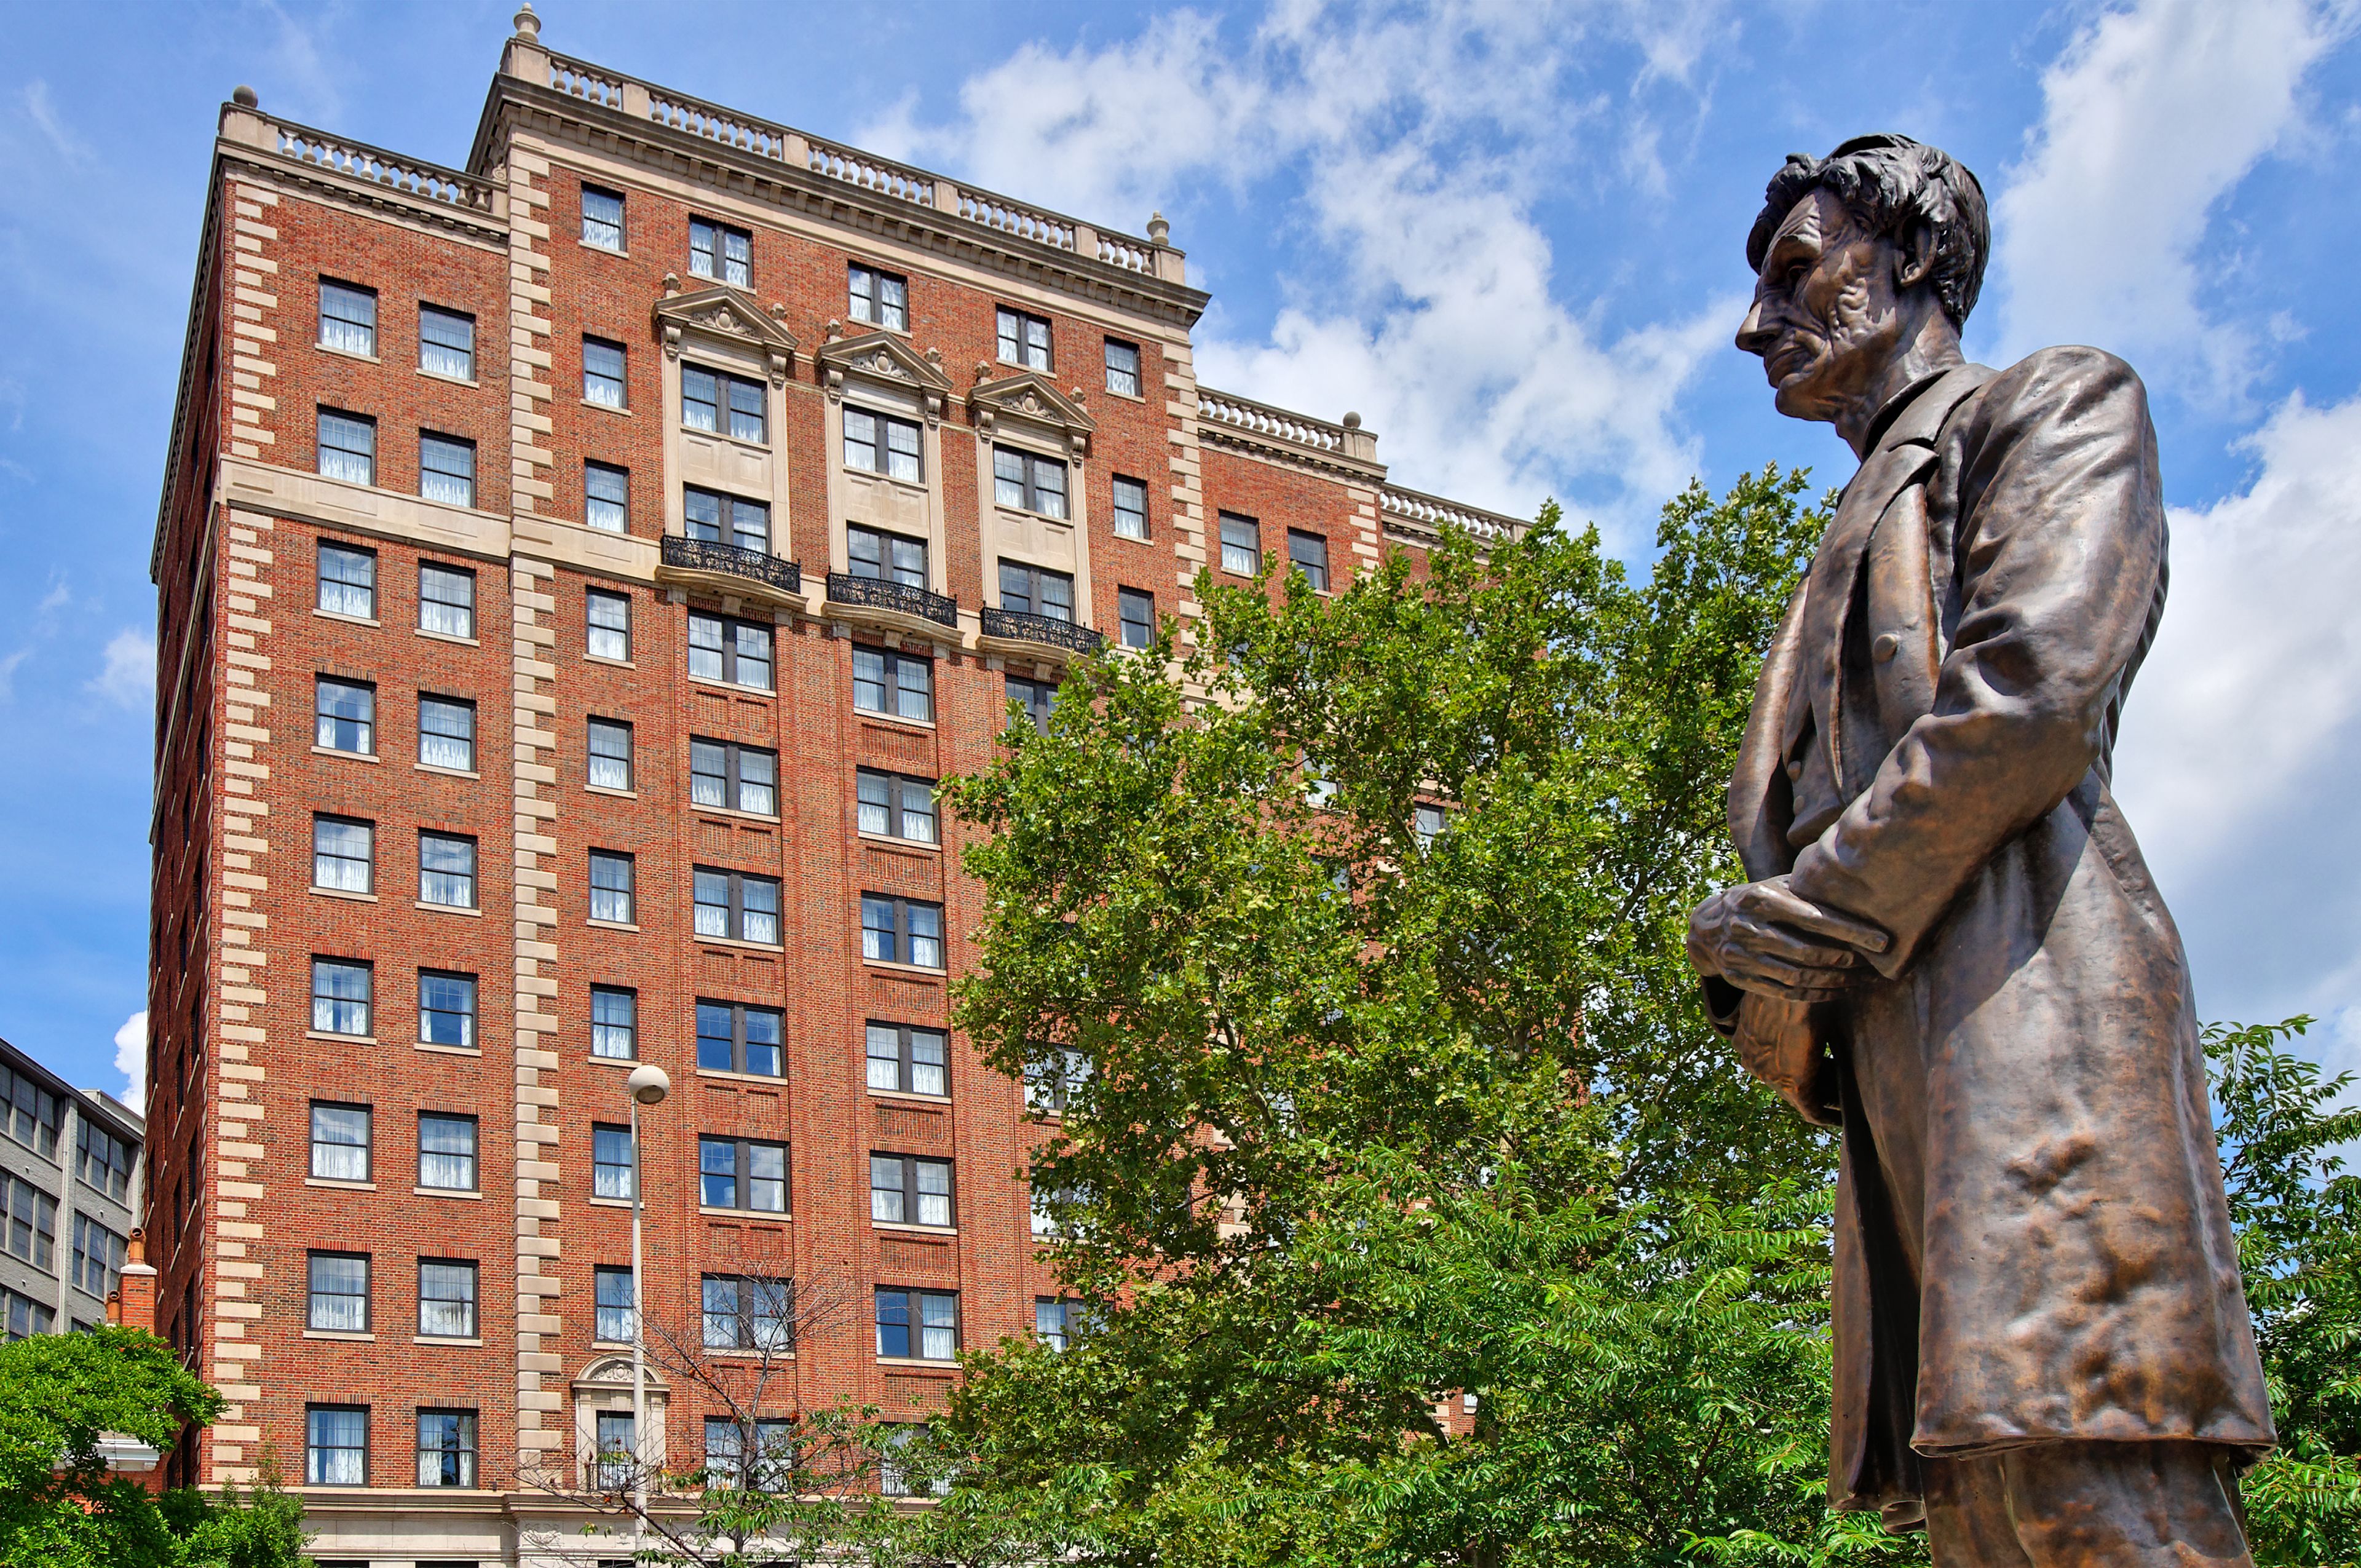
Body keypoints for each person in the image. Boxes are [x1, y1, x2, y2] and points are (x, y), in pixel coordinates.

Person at [1686, 135, 2274, 1566]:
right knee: (1985, 1510)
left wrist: (1796, 925)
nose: (1758, 325)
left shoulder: (2052, 403)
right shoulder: (1849, 522)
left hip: (2032, 1019)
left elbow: (2032, 699)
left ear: (1914, 259)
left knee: (2090, 1479)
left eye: (1795, 272)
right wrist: (1766, 983)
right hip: (1905, 1065)